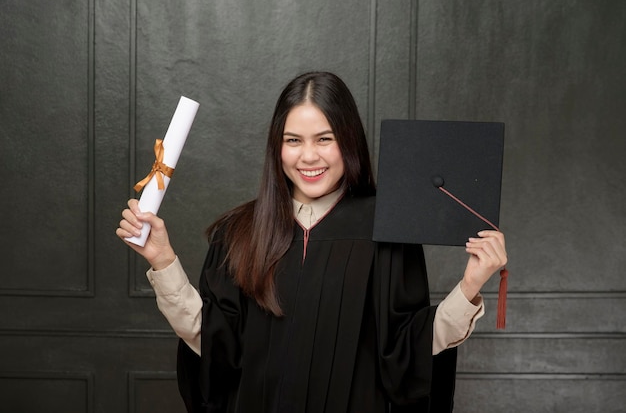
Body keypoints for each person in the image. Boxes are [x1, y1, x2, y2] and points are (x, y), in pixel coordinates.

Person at [116, 71, 507, 413]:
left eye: (324, 138)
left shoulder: (384, 231)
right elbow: (216, 347)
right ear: (277, 146)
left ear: (348, 140)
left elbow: (407, 353)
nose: (308, 157)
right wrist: (163, 260)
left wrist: (470, 285)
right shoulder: (241, 231)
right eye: (293, 140)